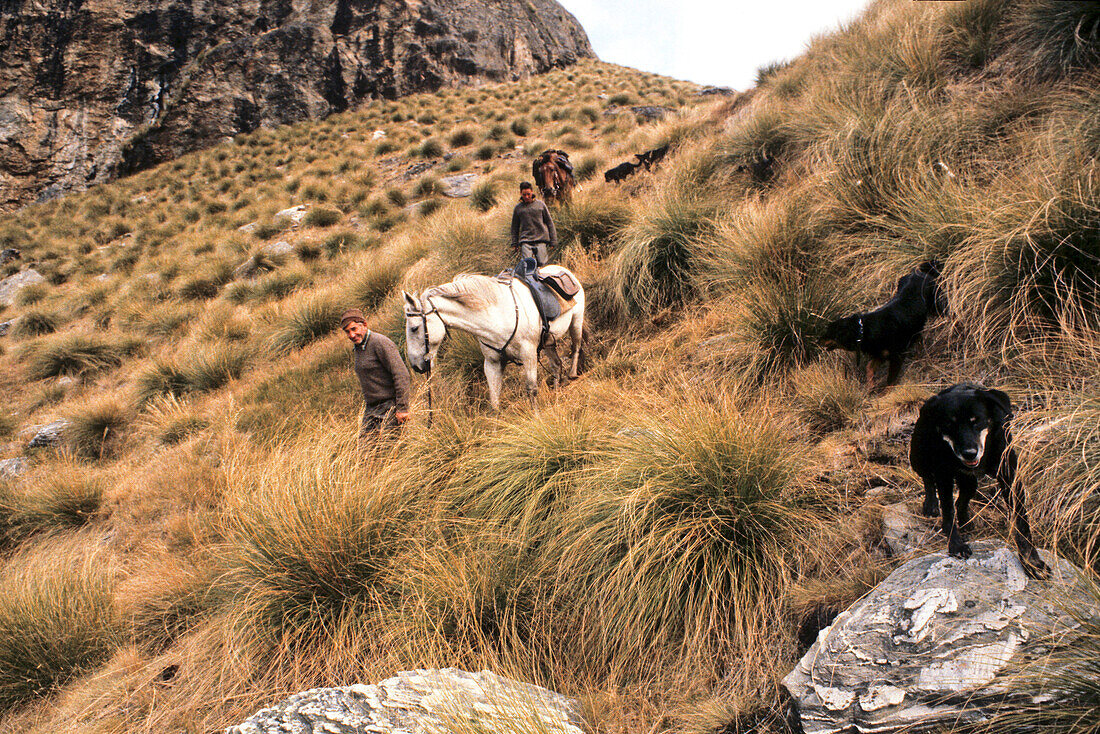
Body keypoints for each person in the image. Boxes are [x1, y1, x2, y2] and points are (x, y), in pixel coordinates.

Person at [340, 308, 411, 446]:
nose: (352, 335)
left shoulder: (380, 343)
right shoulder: (359, 347)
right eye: (347, 332)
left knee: (390, 451)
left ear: (364, 325)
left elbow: (401, 374)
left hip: (389, 407)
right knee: (365, 452)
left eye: (354, 329)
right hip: (371, 409)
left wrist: (402, 408)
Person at [510, 181, 558, 266]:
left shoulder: (541, 205)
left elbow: (549, 223)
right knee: (527, 265)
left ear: (532, 191)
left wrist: (553, 241)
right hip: (526, 241)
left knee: (543, 264)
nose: (526, 197)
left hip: (541, 240)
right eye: (524, 194)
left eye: (528, 194)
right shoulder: (518, 208)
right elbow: (515, 227)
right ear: (520, 193)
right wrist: (514, 243)